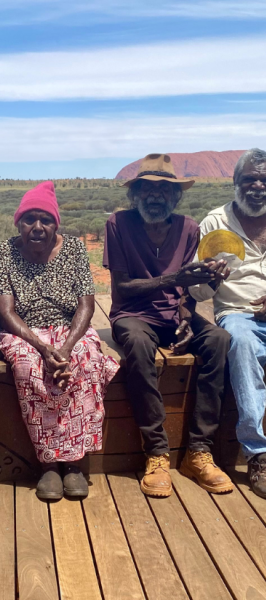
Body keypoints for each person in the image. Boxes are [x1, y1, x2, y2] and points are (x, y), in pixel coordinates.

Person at [103, 153, 233, 497]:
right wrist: (173, 277)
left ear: (176, 196)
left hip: (173, 316)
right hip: (133, 315)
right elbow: (122, 288)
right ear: (136, 194)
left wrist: (188, 314)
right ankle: (157, 451)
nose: (155, 196)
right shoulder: (118, 224)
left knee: (220, 339)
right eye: (147, 189)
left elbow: (190, 289)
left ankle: (199, 450)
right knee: (138, 344)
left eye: (164, 190)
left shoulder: (189, 228)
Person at [0, 181, 119, 501]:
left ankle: (73, 462)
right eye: (29, 219)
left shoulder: (72, 248)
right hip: (23, 331)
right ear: (18, 222)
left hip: (68, 329)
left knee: (86, 361)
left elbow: (86, 305)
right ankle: (48, 461)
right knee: (28, 370)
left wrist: (65, 348)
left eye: (45, 220)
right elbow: (5, 310)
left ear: (55, 223)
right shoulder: (4, 252)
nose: (37, 226)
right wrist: (44, 348)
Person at [189, 148, 266, 498]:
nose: (258, 185)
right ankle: (258, 453)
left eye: (264, 179)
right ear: (235, 183)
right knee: (241, 343)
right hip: (238, 314)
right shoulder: (215, 223)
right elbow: (198, 292)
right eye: (249, 179)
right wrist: (212, 279)